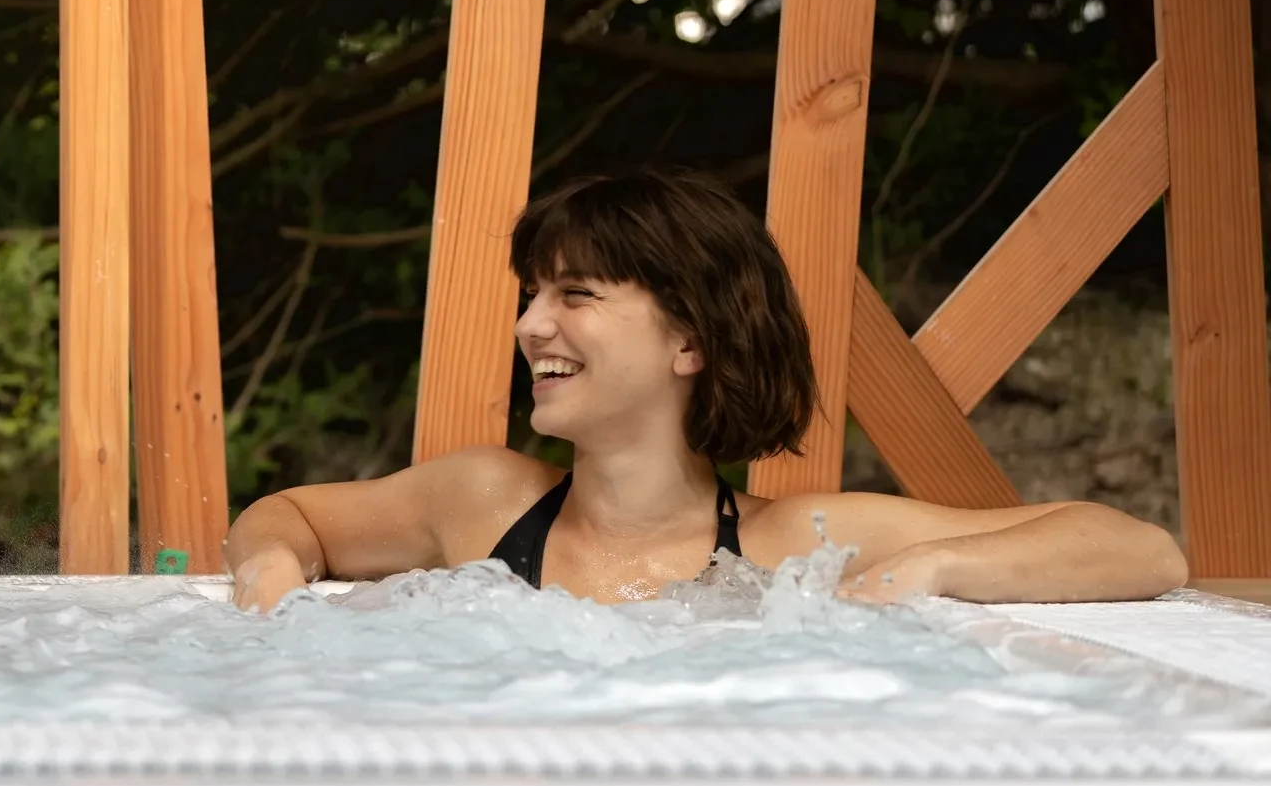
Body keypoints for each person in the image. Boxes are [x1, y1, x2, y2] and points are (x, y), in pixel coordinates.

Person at [224, 168, 1187, 612]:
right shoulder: (482, 504)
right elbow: (289, 516)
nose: (529, 327)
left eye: (576, 296)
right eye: (530, 295)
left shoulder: (786, 547)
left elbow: (1138, 549)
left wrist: (930, 569)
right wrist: (268, 570)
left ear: (689, 339)